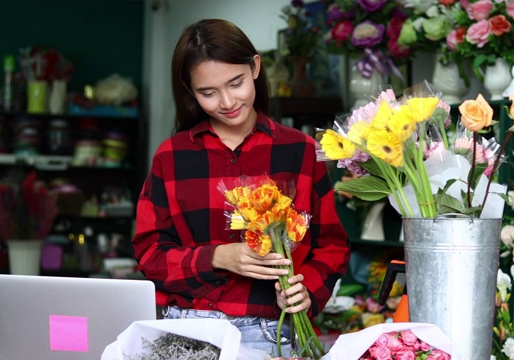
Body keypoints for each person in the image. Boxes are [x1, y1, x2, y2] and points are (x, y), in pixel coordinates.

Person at [132, 19, 350, 356]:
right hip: (188, 330)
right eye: (208, 92)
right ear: (190, 91)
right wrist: (218, 257)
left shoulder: (300, 150)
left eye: (236, 83)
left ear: (255, 68)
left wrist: (306, 291)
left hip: (272, 330)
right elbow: (150, 255)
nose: (227, 101)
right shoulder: (171, 156)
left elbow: (331, 246)